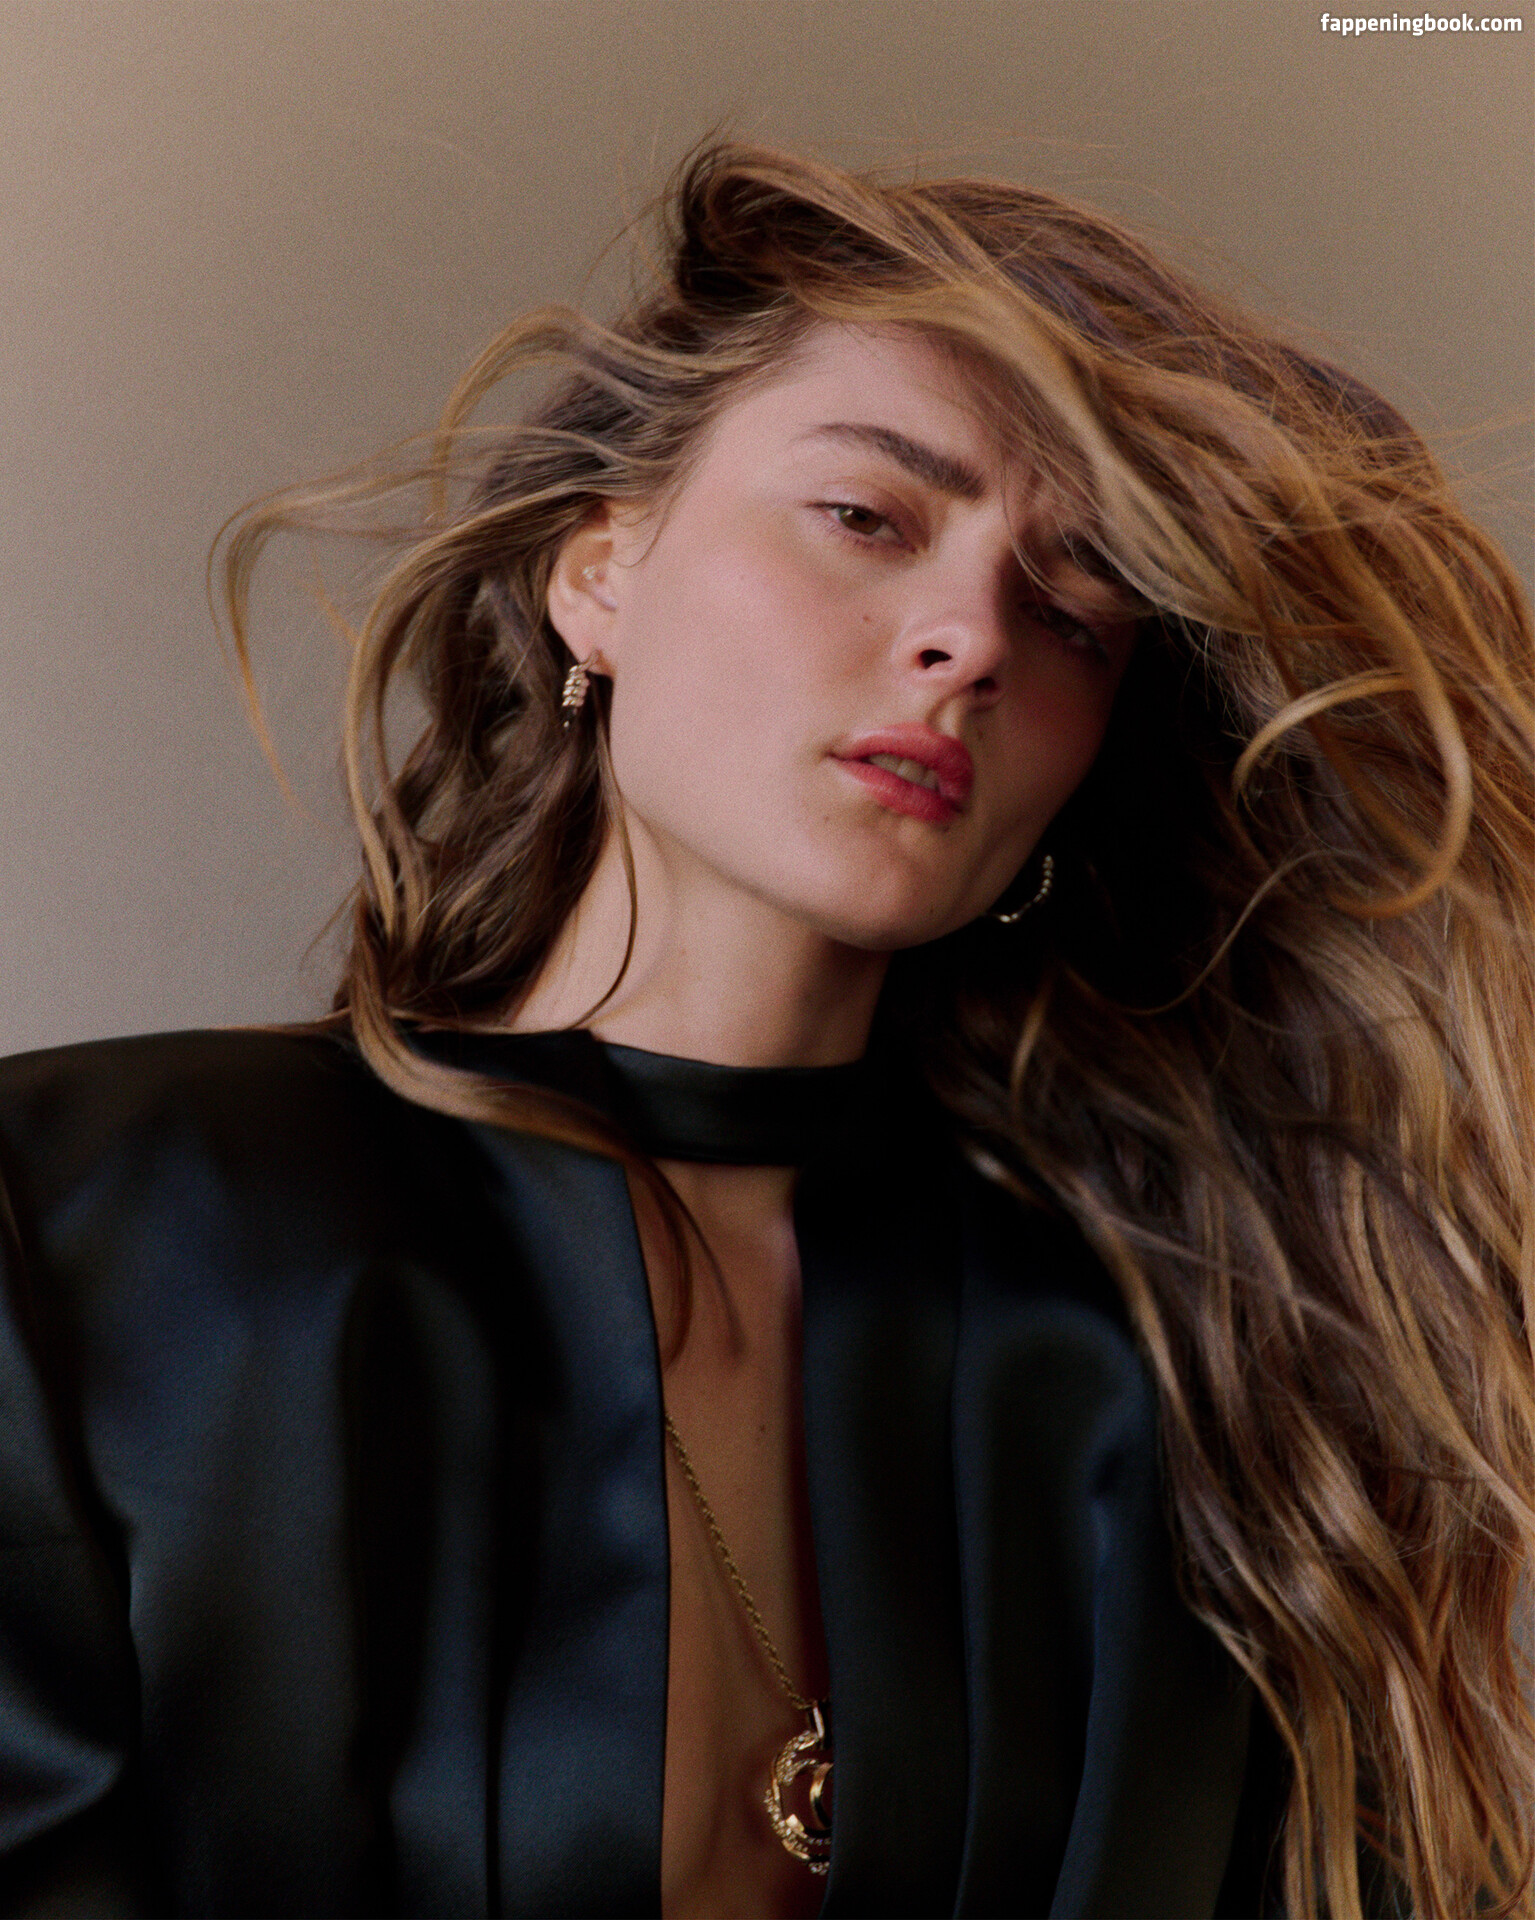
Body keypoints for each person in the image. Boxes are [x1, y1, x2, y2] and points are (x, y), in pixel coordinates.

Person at [0, 142, 1530, 1920]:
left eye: (1073, 610)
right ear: (600, 572)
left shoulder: (1182, 1382)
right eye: (868, 517)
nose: (969, 640)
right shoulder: (77, 1226)